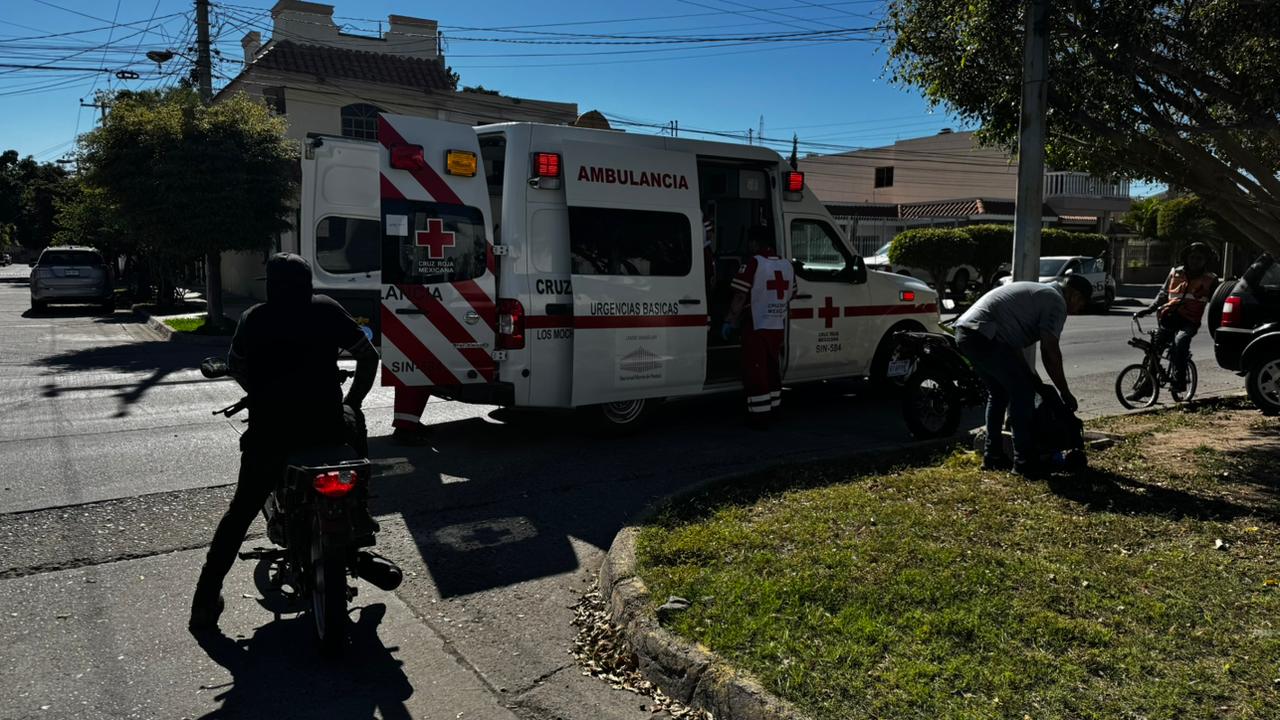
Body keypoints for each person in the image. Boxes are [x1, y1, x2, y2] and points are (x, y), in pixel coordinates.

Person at [189, 253, 380, 631]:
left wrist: (261, 393)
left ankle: (205, 599)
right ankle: (359, 517)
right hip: (326, 427)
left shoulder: (254, 318)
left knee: (240, 513)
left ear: (271, 287)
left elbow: (237, 365)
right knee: (355, 425)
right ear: (309, 284)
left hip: (271, 435)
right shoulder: (327, 309)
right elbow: (368, 356)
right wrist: (352, 401)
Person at [954, 274, 1094, 476]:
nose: (1080, 309)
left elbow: (1013, 346)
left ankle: (992, 456)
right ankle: (1024, 462)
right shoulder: (1056, 302)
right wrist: (1064, 392)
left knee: (999, 393)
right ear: (1074, 295)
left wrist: (1034, 379)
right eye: (1082, 303)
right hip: (985, 335)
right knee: (1022, 394)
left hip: (967, 333)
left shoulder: (1040, 293)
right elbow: (1050, 352)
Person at [722, 226, 797, 429]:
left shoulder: (754, 263)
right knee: (772, 369)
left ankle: (760, 415)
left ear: (755, 243)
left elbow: (740, 295)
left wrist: (729, 320)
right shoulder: (786, 265)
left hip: (756, 326)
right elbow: (791, 293)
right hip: (777, 326)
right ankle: (775, 409)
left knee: (756, 371)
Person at [1133, 242, 1218, 393]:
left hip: (1190, 321)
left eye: (1199, 258)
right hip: (1169, 317)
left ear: (1206, 260)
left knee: (1180, 342)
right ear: (1186, 258)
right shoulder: (1175, 273)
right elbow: (1163, 294)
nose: (1195, 261)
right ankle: (1147, 386)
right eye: (1192, 257)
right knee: (1154, 349)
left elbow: (1218, 302)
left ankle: (1179, 382)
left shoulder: (1210, 279)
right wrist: (1149, 309)